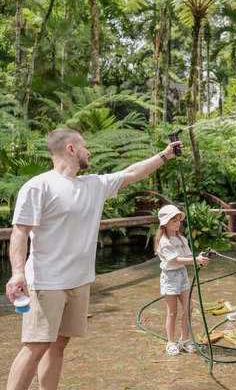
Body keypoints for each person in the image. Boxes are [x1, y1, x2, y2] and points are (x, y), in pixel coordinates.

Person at [5, 128, 183, 390]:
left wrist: (164, 156)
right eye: (85, 146)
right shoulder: (38, 186)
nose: (89, 151)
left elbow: (132, 173)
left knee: (59, 343)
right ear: (71, 149)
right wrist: (18, 272)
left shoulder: (93, 185)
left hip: (80, 281)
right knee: (36, 346)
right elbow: (20, 231)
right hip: (46, 282)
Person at [154, 204, 210, 355]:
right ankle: (171, 343)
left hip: (182, 275)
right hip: (170, 277)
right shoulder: (164, 242)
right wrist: (196, 260)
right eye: (174, 221)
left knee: (189, 308)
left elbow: (187, 257)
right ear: (165, 223)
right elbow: (178, 260)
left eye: (178, 220)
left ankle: (184, 340)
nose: (178, 223)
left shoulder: (182, 239)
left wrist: (200, 258)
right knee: (172, 312)